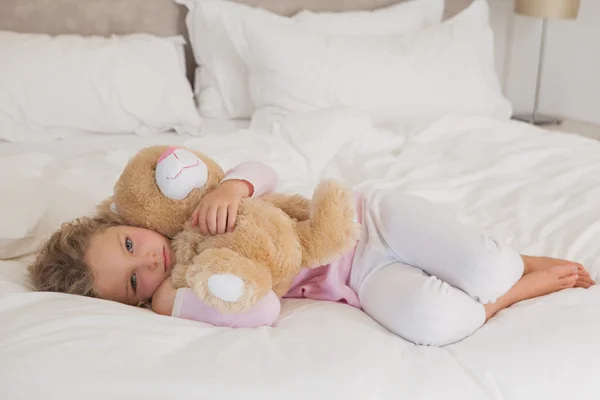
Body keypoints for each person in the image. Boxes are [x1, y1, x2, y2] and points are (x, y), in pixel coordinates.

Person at [28, 161, 595, 346]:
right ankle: (514, 290)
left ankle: (505, 264)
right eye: (132, 281)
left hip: (361, 220)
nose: (148, 263)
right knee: (435, 323)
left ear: (129, 222)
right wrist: (168, 302)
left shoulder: (192, 205)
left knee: (487, 265)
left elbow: (263, 169)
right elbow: (263, 312)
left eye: (131, 245)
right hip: (358, 282)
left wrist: (233, 187)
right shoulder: (188, 286)